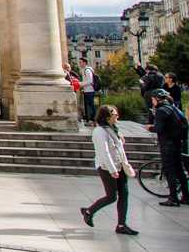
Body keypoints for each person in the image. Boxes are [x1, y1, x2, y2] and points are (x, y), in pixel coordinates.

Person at [80, 104, 139, 235]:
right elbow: (104, 152)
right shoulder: (99, 132)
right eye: (114, 114)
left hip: (120, 166)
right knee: (111, 197)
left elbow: (118, 148)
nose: (117, 116)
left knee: (124, 195)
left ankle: (122, 224)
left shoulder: (113, 128)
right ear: (106, 117)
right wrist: (112, 170)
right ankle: (89, 211)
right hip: (107, 168)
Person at [145, 88, 189, 206]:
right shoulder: (173, 108)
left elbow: (159, 128)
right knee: (180, 171)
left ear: (157, 99)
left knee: (170, 172)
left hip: (167, 145)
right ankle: (186, 197)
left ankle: (173, 198)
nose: (152, 101)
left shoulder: (161, 110)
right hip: (177, 143)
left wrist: (150, 127)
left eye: (153, 99)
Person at [79, 57, 96, 126]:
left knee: (90, 106)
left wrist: (80, 84)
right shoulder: (85, 70)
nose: (79, 64)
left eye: (80, 62)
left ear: (84, 63)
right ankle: (89, 120)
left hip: (89, 91)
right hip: (87, 90)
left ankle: (92, 120)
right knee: (88, 106)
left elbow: (90, 81)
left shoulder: (87, 70)